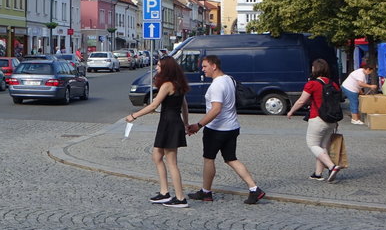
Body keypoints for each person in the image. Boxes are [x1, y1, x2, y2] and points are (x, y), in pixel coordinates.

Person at [185, 54, 266, 204]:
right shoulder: (229, 79)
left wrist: (198, 125)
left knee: (209, 159)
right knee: (231, 159)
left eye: (205, 66)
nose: (203, 70)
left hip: (217, 130)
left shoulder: (217, 85)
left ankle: (206, 192)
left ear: (214, 66)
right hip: (232, 127)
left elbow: (216, 109)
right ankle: (254, 189)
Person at [125, 55, 191, 208]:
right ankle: (164, 192)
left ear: (166, 69)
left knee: (172, 162)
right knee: (156, 156)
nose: (156, 68)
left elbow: (153, 106)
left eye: (159, 66)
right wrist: (186, 123)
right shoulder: (178, 83)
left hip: (169, 123)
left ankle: (180, 198)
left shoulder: (167, 84)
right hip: (170, 122)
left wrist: (134, 116)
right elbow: (184, 106)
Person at [286, 59, 345, 181]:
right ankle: (318, 174)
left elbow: (302, 100)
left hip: (318, 118)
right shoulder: (333, 83)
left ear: (315, 69)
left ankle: (332, 166)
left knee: (312, 144)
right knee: (322, 146)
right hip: (332, 120)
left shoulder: (312, 84)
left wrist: (291, 111)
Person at [341, 59, 378, 125]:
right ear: (368, 69)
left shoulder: (360, 72)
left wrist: (360, 91)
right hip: (350, 89)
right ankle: (355, 119)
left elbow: (358, 84)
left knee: (354, 102)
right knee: (354, 102)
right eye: (371, 71)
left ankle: (355, 117)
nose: (370, 73)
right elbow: (360, 84)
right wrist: (370, 86)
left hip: (348, 87)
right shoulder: (361, 74)